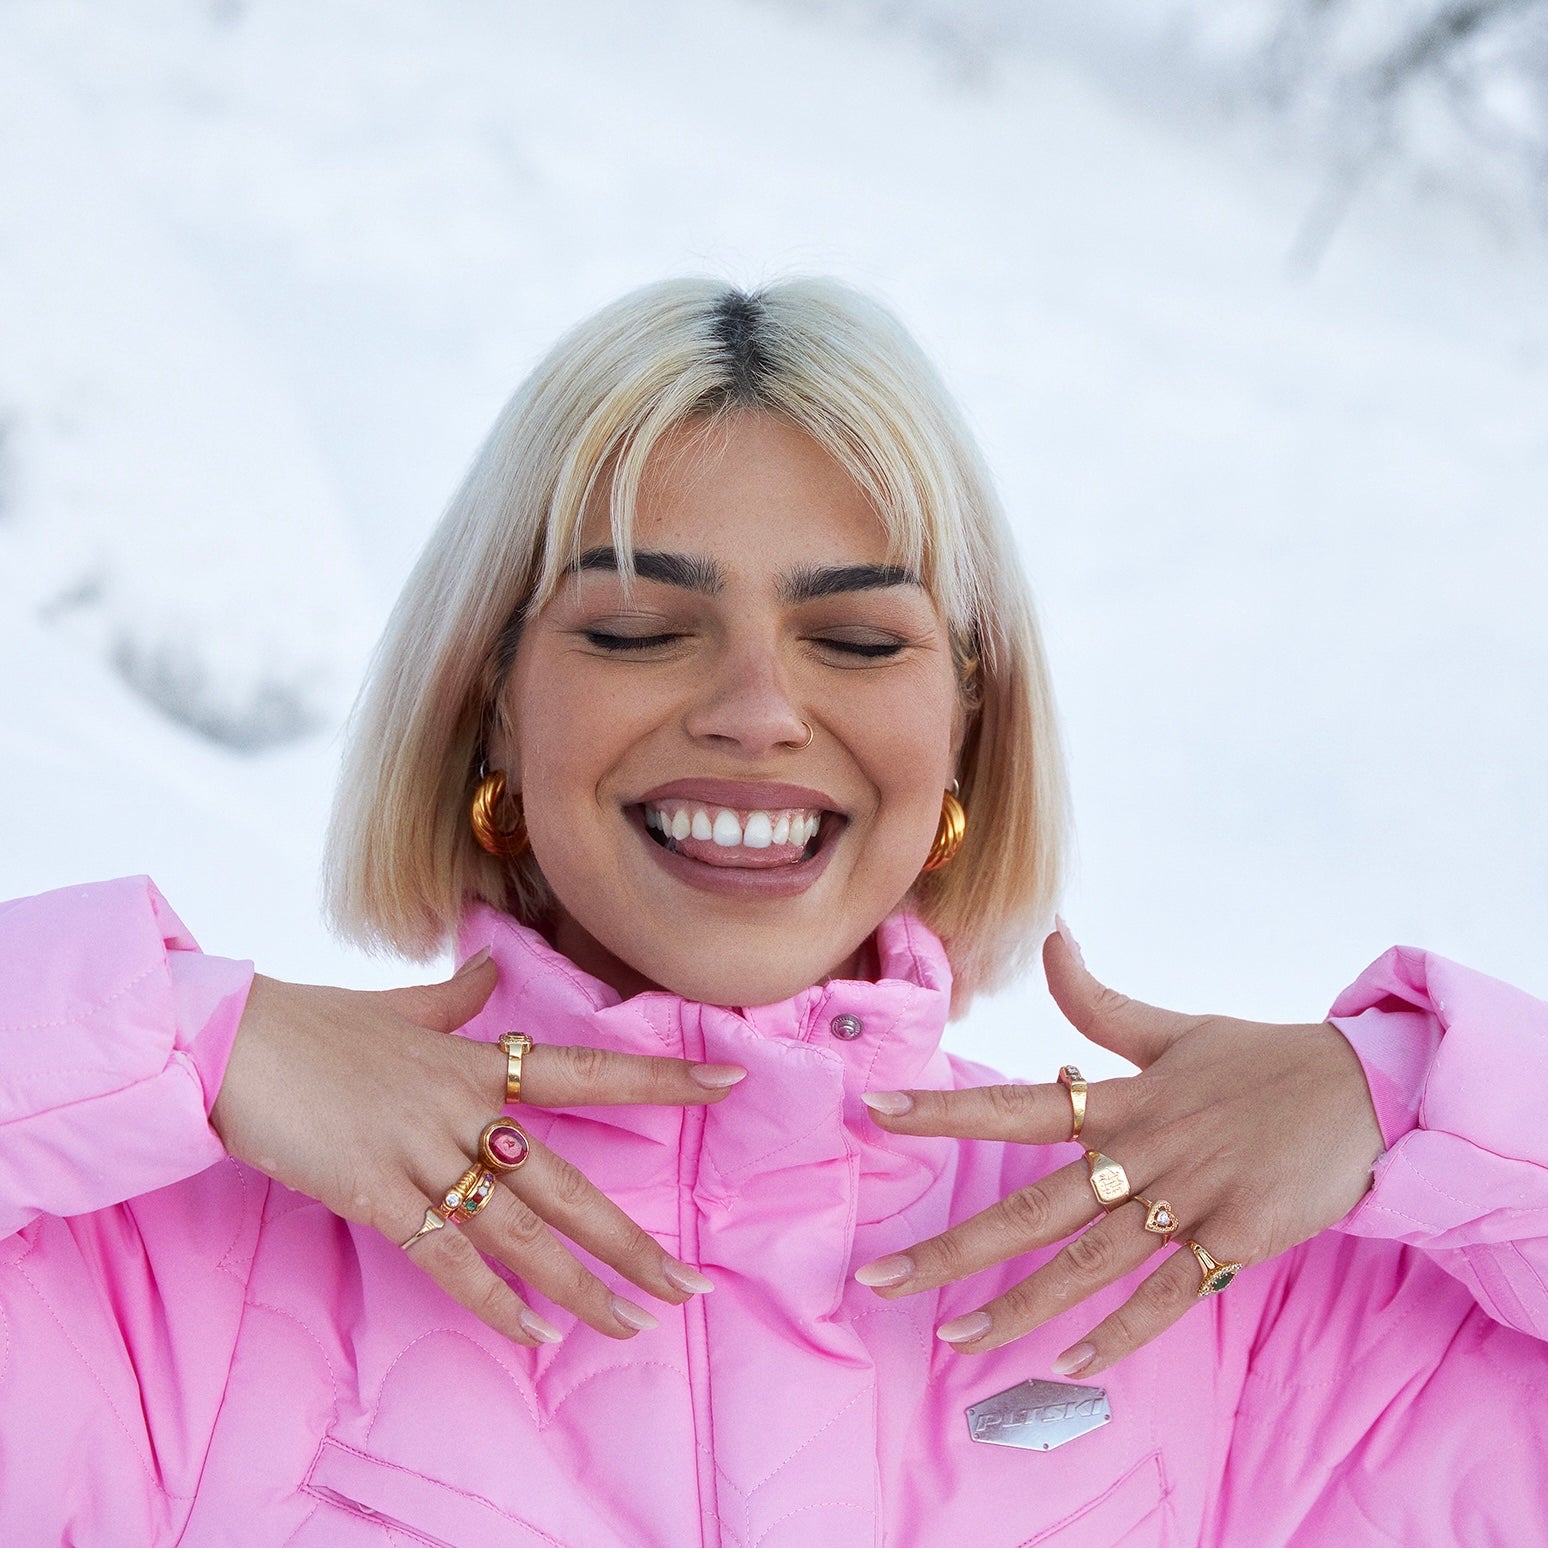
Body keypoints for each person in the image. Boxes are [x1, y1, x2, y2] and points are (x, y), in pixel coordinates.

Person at [1, 278, 1543, 1547]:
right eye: (637, 627)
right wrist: (172, 1038)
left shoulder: (1216, 1294)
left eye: (858, 642)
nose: (754, 710)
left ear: (965, 727)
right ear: (490, 704)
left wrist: (1419, 1100)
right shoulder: (158, 1271)